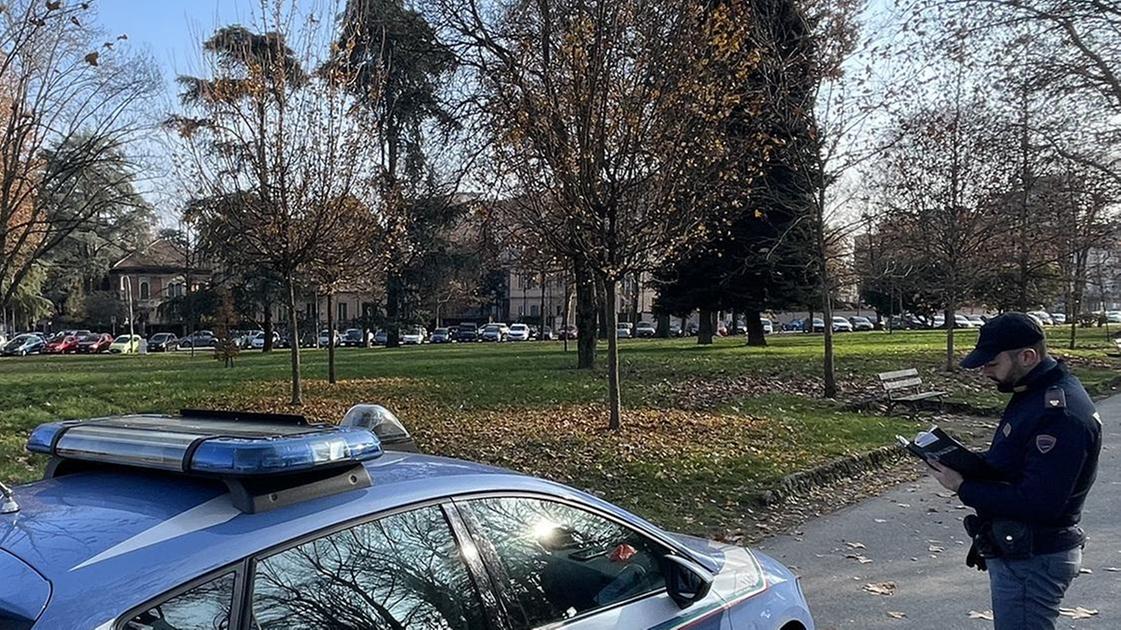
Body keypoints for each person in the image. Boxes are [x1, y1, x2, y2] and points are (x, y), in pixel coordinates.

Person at [928, 312, 1101, 630]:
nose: (985, 372)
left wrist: (963, 487)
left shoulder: (1059, 413)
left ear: (1027, 356)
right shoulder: (1032, 392)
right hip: (1023, 552)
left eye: (992, 364)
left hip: (1034, 556)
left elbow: (1039, 502)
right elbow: (1018, 460)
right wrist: (966, 460)